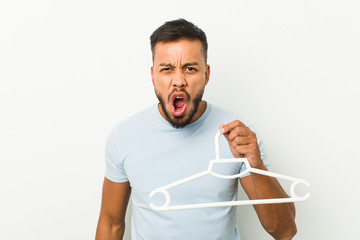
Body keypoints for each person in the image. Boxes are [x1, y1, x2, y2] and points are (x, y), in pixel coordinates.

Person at [95, 19, 296, 240]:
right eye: (167, 69)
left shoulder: (237, 135)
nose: (178, 81)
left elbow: (284, 232)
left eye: (190, 69)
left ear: (206, 74)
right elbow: (111, 224)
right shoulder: (124, 137)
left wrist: (255, 163)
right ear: (153, 75)